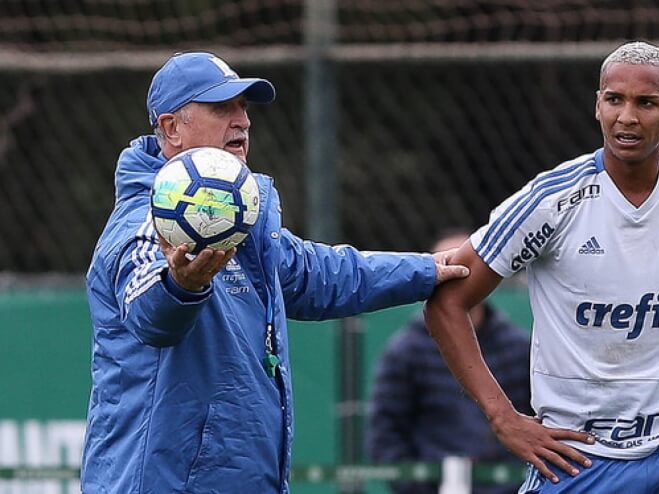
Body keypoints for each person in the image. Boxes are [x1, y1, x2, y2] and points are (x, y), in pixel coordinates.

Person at [423, 41, 659, 494]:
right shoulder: (551, 201)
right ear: (597, 106)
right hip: (573, 460)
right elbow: (447, 298)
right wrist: (502, 418)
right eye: (614, 99)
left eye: (647, 102)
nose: (628, 117)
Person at [81, 51, 469, 493]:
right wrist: (179, 286)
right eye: (222, 107)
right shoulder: (149, 220)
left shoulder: (232, 217)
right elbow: (147, 307)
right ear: (171, 128)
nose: (242, 121)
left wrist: (424, 270)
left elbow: (317, 274)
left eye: (244, 107)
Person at [367, 229, 532, 494]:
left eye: (467, 269)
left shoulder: (519, 347)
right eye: (449, 269)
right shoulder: (405, 351)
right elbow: (386, 434)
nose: (459, 278)